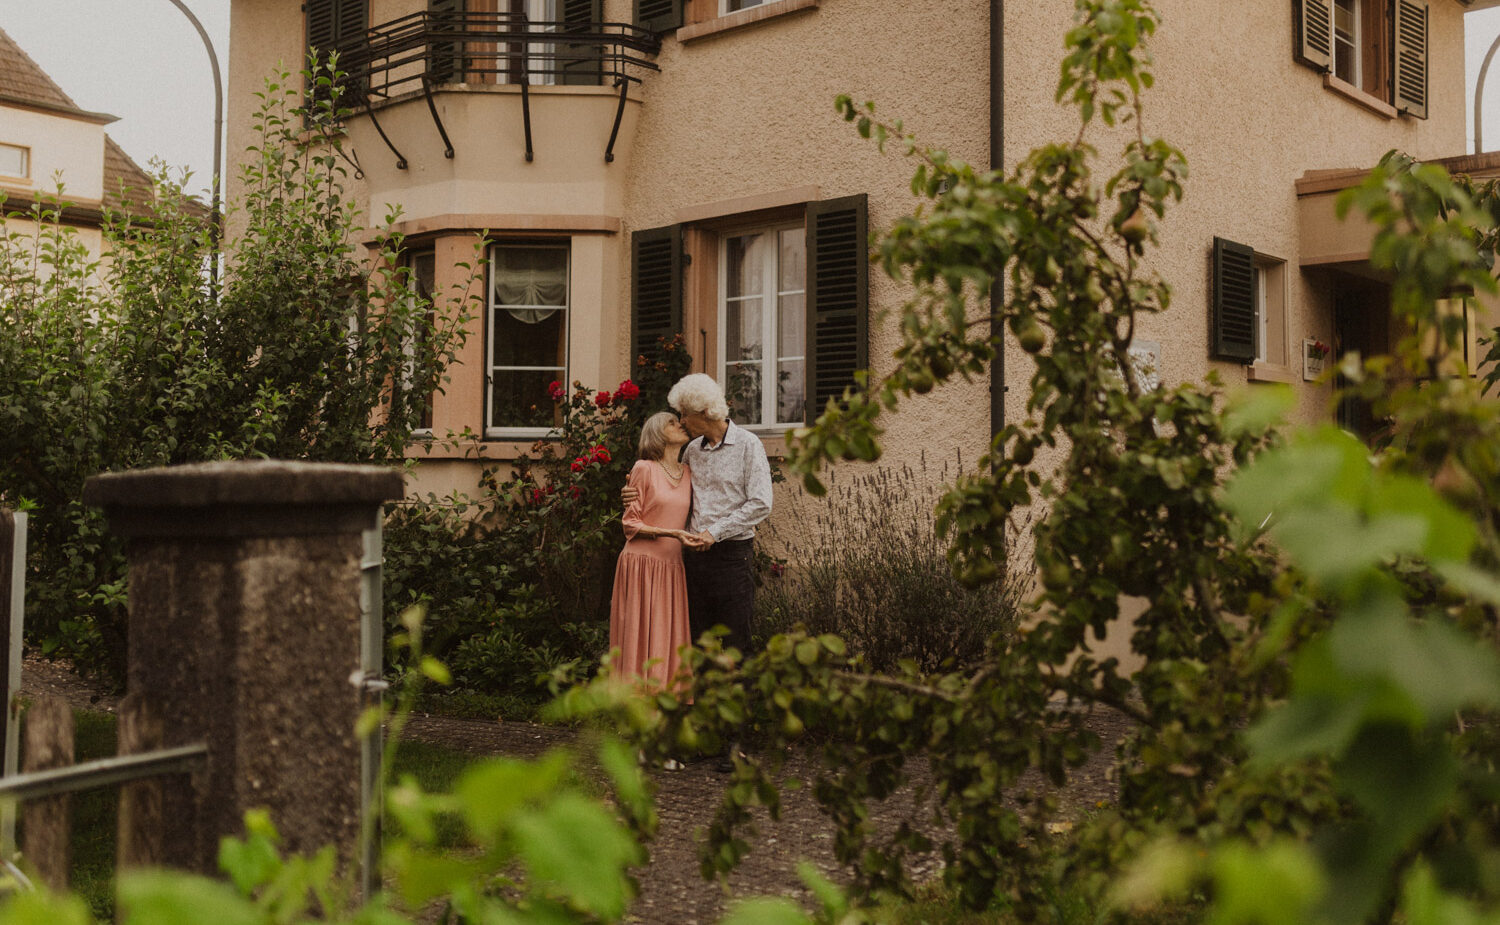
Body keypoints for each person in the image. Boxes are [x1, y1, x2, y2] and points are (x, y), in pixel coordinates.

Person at [626, 373, 773, 652]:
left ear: (704, 412)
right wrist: (633, 491)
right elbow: (671, 488)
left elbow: (761, 503)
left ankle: (740, 696)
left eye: (684, 414)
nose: (680, 421)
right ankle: (701, 695)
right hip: (694, 557)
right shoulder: (693, 450)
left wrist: (714, 534)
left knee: (736, 639)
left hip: (732, 555)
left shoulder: (748, 445)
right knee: (696, 638)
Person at [609, 411, 695, 690]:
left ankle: (664, 701)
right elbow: (630, 524)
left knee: (665, 635)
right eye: (672, 422)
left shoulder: (689, 473)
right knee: (637, 634)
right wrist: (673, 533)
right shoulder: (643, 468)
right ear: (657, 434)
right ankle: (634, 704)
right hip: (641, 563)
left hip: (671, 566)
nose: (680, 424)